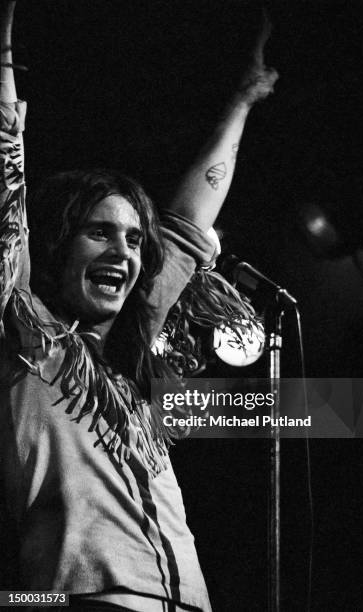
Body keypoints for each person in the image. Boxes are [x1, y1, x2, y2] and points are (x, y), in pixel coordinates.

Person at [0, 2, 278, 610]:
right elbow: (5, 184)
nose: (123, 252)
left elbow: (184, 228)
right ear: (53, 247)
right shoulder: (28, 339)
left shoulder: (133, 375)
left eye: (131, 239)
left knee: (344, 409)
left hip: (188, 602)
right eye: (98, 233)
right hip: (87, 601)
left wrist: (244, 99)